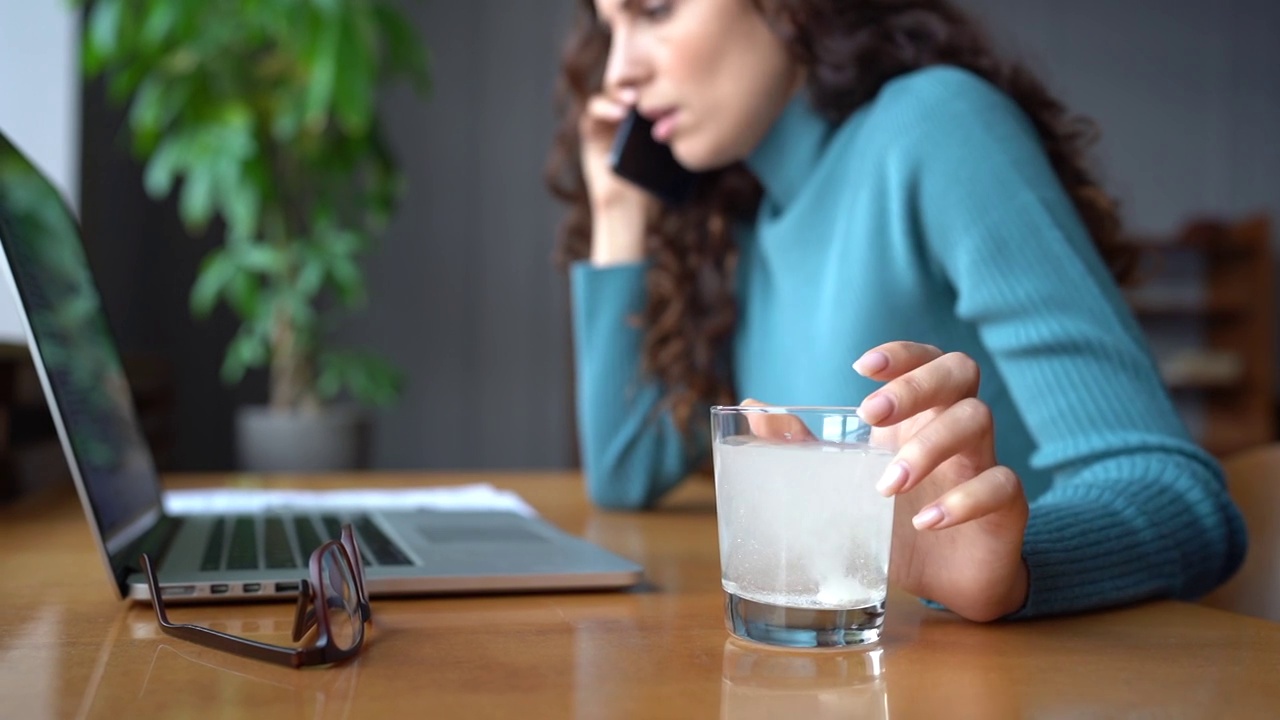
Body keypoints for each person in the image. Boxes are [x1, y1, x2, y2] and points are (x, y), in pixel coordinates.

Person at [544, 0, 1246, 622]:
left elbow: (1183, 501)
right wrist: (618, 207)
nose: (617, 76)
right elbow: (625, 470)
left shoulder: (937, 128)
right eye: (608, 29)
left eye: (656, 11)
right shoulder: (742, 223)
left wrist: (1012, 569)